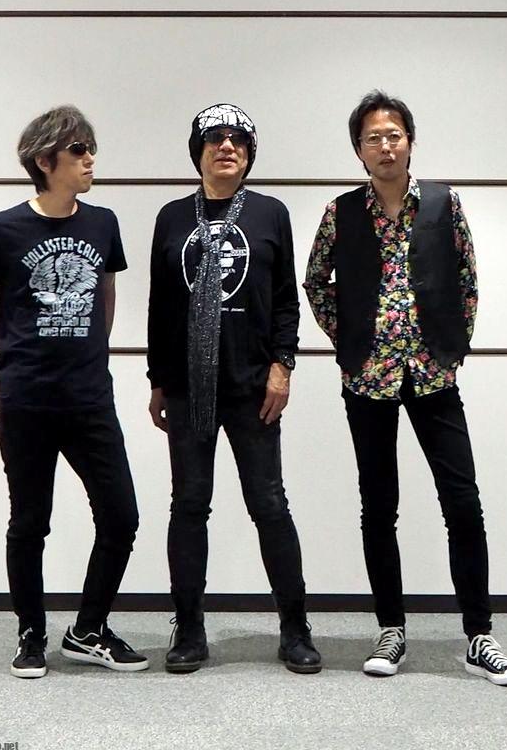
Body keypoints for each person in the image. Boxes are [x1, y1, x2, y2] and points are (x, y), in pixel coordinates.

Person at [303, 89, 507, 686]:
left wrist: (452, 344)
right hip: (368, 378)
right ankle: (391, 628)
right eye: (373, 138)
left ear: (410, 142)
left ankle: (479, 634)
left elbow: (467, 277)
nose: (385, 146)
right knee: (379, 506)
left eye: (394, 135)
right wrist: (349, 339)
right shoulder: (340, 212)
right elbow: (316, 281)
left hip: (433, 374)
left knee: (462, 500)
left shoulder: (444, 204)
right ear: (359, 150)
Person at [0, 105, 148, 678]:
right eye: (79, 150)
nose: (91, 159)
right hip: (26, 401)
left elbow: (105, 295)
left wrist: (93, 354)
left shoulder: (103, 223)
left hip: (89, 398)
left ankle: (88, 629)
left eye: (91, 148)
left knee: (121, 517)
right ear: (45, 161)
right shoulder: (3, 228)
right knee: (30, 522)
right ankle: (31, 633)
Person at [147, 103, 321, 674]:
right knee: (188, 505)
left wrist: (283, 366)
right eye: (215, 139)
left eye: (238, 140)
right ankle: (189, 629)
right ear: (197, 152)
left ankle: (294, 629)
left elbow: (287, 300)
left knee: (269, 505)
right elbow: (160, 305)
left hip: (252, 386)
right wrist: (157, 380)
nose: (227, 147)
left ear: (249, 154)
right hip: (187, 387)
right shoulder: (172, 217)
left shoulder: (271, 213)